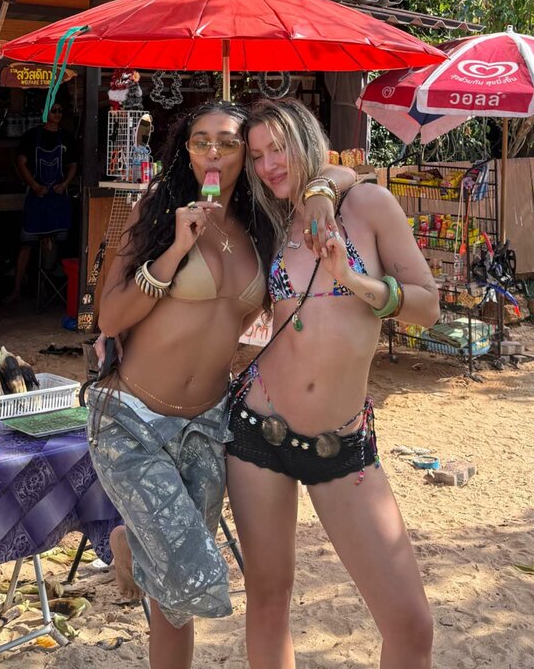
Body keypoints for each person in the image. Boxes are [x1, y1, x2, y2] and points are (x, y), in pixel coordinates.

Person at [87, 101, 355, 669]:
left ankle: (134, 546)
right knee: (195, 576)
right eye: (200, 141)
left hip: (208, 425)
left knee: (173, 607)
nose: (213, 152)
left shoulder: (264, 226)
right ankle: (129, 546)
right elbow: (110, 317)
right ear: (186, 152)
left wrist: (320, 191)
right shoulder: (157, 211)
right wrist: (177, 250)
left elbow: (348, 170)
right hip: (132, 421)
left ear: (245, 157)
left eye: (229, 143)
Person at [226, 97, 439, 669]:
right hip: (257, 432)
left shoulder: (369, 206)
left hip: (341, 445)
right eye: (257, 156)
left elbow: (428, 306)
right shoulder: (268, 219)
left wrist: (356, 281)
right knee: (268, 599)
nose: (269, 165)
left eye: (279, 148)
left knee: (411, 626)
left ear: (307, 139)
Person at [6, 102, 78, 303]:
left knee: (52, 243)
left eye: (60, 110)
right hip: (36, 200)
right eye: (54, 110)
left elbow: (73, 165)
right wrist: (35, 185)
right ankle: (17, 289)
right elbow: (21, 163)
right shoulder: (31, 136)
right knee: (26, 245)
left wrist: (65, 184)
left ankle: (45, 288)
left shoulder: (67, 137)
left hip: (57, 199)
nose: (58, 114)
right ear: (45, 111)